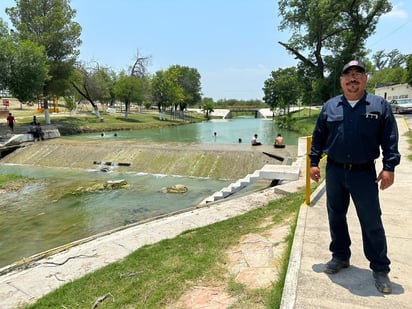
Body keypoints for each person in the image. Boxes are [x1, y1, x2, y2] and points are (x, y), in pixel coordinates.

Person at [309, 59, 401, 294]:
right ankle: (340, 256)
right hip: (336, 171)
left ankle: (380, 269)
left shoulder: (379, 106)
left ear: (365, 78)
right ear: (341, 81)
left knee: (371, 221)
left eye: (358, 74)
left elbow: (390, 138)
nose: (352, 78)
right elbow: (319, 136)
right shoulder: (330, 106)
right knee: (336, 217)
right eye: (348, 75)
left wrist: (389, 167)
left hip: (364, 173)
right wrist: (313, 162)